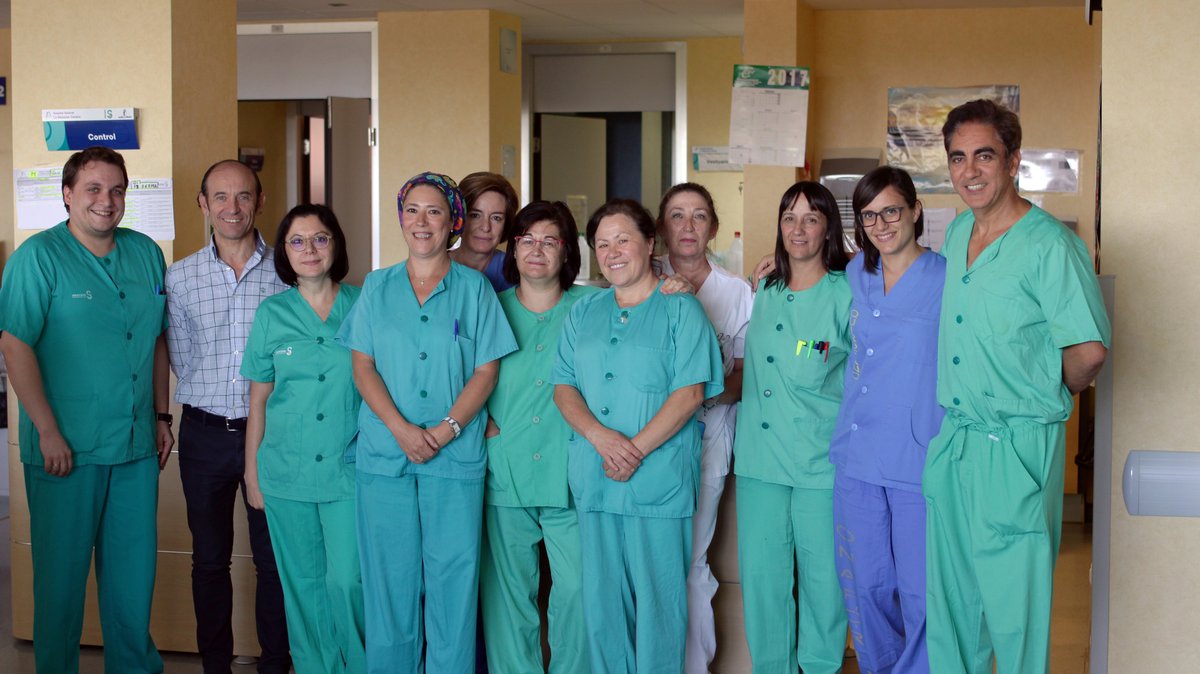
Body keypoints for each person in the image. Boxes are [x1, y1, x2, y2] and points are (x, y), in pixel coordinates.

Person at [924, 100, 1109, 674]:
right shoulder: (957, 234)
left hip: (1017, 447)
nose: (970, 171)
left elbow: (1087, 352)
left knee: (1014, 615)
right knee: (953, 610)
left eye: (984, 155)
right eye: (958, 158)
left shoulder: (1049, 245)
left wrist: (1038, 394)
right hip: (955, 440)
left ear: (1014, 161)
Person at [0, 146, 173, 673]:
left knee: (131, 582)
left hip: (135, 446)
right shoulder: (38, 257)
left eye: (117, 190)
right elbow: (15, 344)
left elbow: (157, 339)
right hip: (64, 451)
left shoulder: (145, 253)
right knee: (60, 585)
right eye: (94, 189)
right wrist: (47, 431)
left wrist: (163, 417)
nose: (107, 200)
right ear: (68, 194)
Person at [336, 171, 517, 673]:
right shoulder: (377, 286)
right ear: (400, 217)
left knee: (452, 586)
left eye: (434, 211)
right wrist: (399, 429)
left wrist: (446, 430)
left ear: (452, 222)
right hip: (384, 457)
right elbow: (362, 365)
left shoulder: (475, 290)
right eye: (412, 209)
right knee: (389, 585)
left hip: (454, 458)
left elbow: (486, 369)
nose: (422, 221)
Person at [553, 198, 724, 673]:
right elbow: (562, 385)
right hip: (595, 476)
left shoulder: (681, 310)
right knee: (602, 606)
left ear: (650, 243)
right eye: (601, 244)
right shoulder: (584, 312)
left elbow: (690, 393)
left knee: (658, 605)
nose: (611, 252)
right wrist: (600, 439)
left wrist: (632, 450)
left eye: (622, 239)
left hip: (657, 481)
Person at [165, 159, 292, 674]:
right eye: (220, 197)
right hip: (205, 435)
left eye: (243, 196)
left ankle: (276, 665)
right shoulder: (180, 276)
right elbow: (179, 356)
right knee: (210, 562)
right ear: (203, 204)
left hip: (274, 438)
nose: (232, 207)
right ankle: (214, 665)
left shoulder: (289, 270)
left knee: (273, 564)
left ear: (260, 201)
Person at [828, 166, 945, 674]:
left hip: (917, 459)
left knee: (922, 593)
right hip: (856, 457)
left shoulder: (948, 278)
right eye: (870, 215)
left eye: (891, 210)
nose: (880, 223)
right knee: (866, 585)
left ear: (915, 212)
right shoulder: (858, 274)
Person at [734, 181, 852, 674]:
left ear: (828, 228)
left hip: (819, 463)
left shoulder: (847, 293)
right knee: (763, 582)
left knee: (826, 583)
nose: (798, 228)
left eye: (810, 218)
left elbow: (854, 367)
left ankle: (822, 667)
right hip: (760, 462)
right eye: (789, 218)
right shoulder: (764, 289)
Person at [241, 204, 365, 674]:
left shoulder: (362, 303)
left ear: (336, 244)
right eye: (296, 241)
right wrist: (252, 471)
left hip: (347, 469)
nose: (309, 250)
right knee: (302, 585)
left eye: (319, 239)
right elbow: (258, 402)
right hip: (284, 472)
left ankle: (358, 666)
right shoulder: (272, 314)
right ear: (283, 251)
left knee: (348, 581)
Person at [479, 200, 596, 673]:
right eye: (526, 240)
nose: (536, 250)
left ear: (567, 252)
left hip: (572, 472)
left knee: (579, 591)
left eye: (549, 241)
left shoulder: (592, 308)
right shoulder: (489, 307)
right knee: (509, 601)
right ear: (512, 248)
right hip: (504, 470)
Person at [654, 182, 751, 674]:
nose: (687, 226)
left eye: (698, 216)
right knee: (650, 563)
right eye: (676, 215)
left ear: (713, 225)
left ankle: (693, 666)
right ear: (660, 227)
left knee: (691, 559)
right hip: (647, 447)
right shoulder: (641, 282)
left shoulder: (736, 292)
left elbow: (744, 375)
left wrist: (692, 398)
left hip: (708, 438)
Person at [454, 171, 520, 292]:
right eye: (475, 215)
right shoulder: (437, 267)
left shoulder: (516, 270)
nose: (485, 227)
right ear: (459, 217)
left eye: (496, 218)